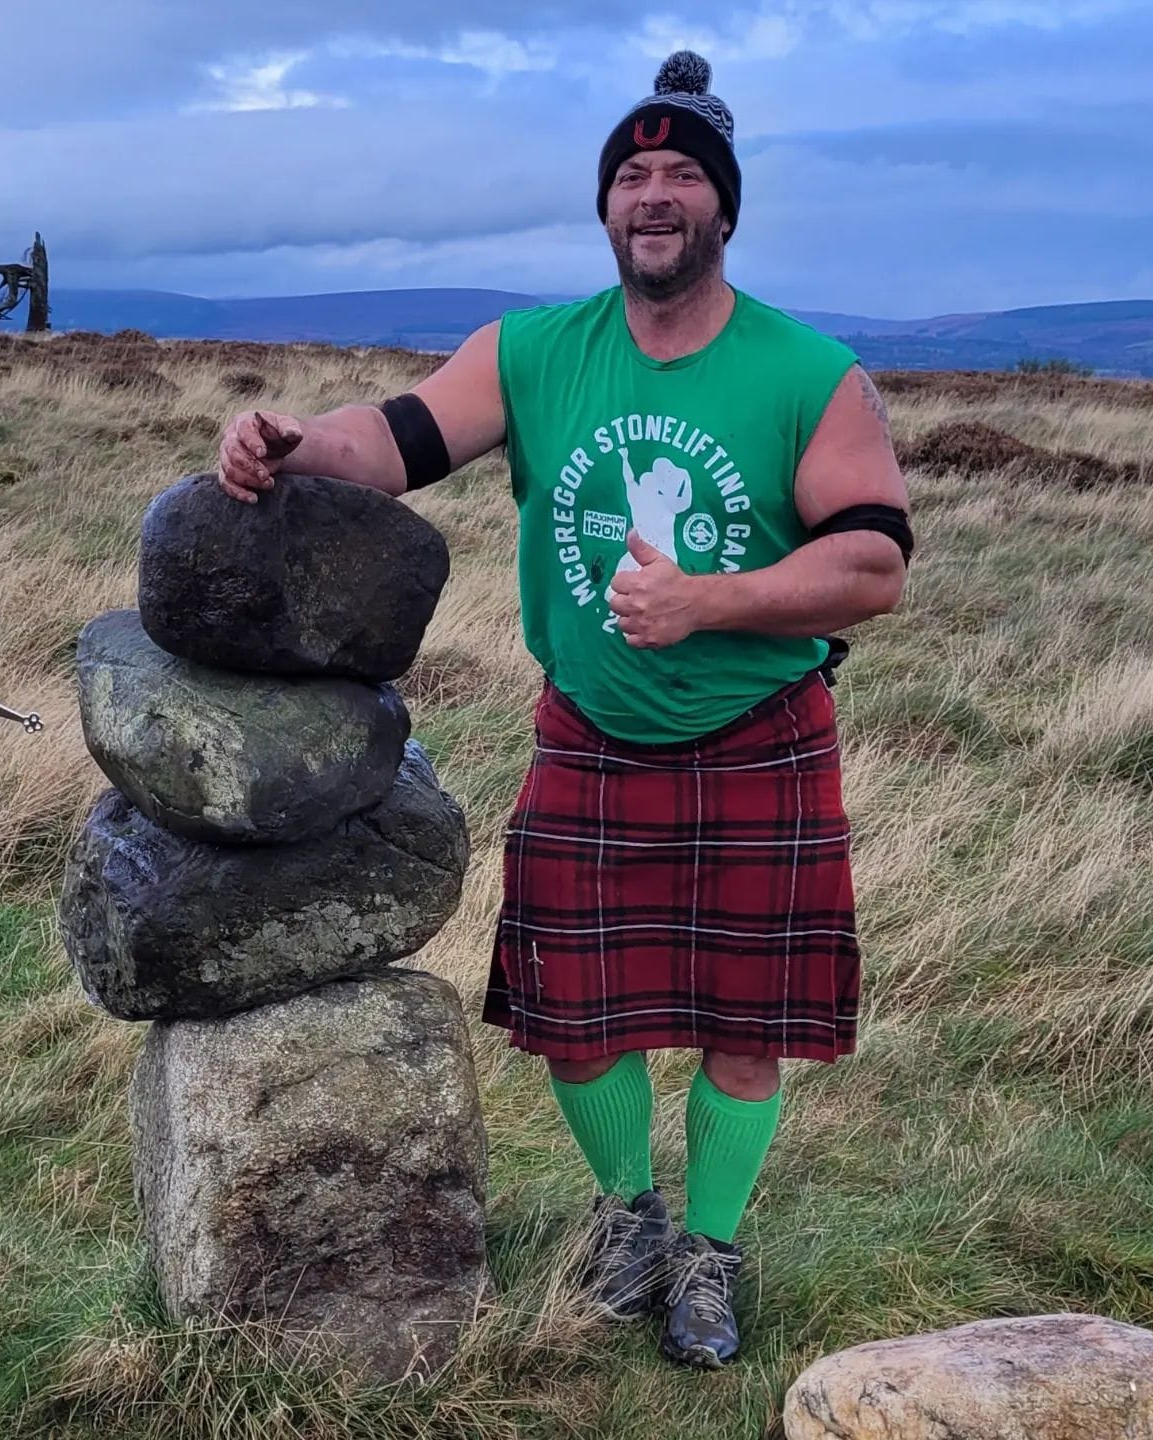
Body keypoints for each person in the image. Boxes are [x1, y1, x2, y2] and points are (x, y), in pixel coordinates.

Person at [215, 48, 912, 1371]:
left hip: (759, 738)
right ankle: (628, 1218)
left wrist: (713, 600)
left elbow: (874, 562)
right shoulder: (532, 352)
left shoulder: (809, 374)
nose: (655, 196)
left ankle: (709, 1252)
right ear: (606, 208)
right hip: (591, 732)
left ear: (724, 208)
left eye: (683, 175)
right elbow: (396, 439)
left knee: (747, 1023)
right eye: (632, 179)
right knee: (578, 1012)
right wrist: (295, 443)